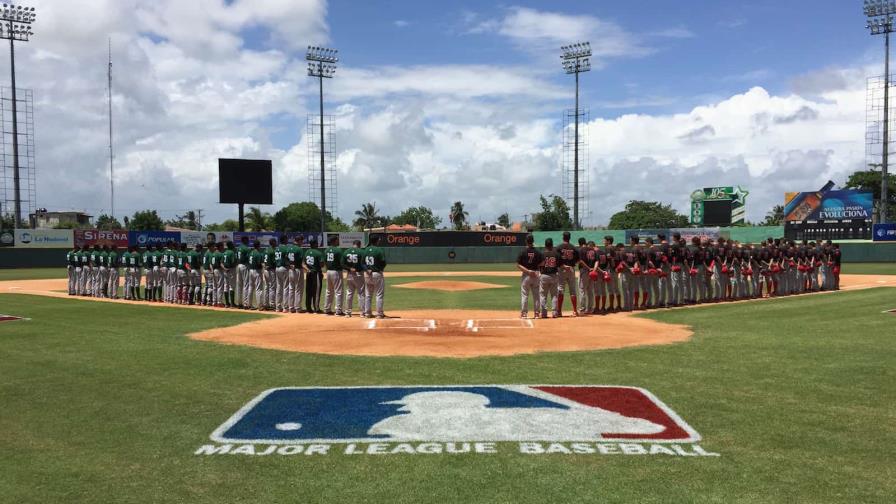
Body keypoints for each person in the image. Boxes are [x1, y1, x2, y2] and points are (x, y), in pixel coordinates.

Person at [516, 234, 543, 319]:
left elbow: (518, 264)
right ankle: (537, 314)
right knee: (536, 295)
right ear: (533, 241)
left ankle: (524, 314)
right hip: (536, 274)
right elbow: (543, 262)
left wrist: (528, 271)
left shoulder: (523, 252)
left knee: (525, 295)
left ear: (526, 241)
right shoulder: (538, 252)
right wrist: (536, 268)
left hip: (526, 275)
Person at [363, 234, 387, 319]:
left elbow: (362, 263)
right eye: (379, 239)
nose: (380, 240)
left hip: (367, 274)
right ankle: (379, 314)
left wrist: (366, 269)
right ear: (377, 240)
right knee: (379, 294)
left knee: (368, 294)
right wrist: (381, 269)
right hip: (376, 273)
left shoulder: (365, 250)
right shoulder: (379, 250)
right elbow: (383, 262)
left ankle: (367, 313)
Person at [556, 231, 579, 316]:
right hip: (571, 269)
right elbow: (577, 259)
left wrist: (563, 265)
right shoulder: (573, 247)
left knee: (560, 289)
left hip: (562, 269)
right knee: (572, 290)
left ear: (563, 237)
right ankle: (575, 311)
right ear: (570, 237)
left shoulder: (559, 247)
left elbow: (556, 259)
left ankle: (559, 311)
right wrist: (572, 265)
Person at [342, 239, 365, 317]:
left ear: (353, 244)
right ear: (359, 245)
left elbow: (342, 264)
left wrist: (349, 268)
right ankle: (362, 312)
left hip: (349, 275)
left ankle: (348, 312)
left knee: (349, 293)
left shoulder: (346, 252)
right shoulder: (361, 252)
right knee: (361, 293)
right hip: (358, 274)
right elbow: (363, 264)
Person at [538, 238, 560, 318]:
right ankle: (554, 313)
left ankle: (544, 313)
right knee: (554, 295)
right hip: (554, 275)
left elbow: (539, 265)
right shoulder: (556, 254)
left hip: (544, 276)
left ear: (545, 245)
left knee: (543, 295)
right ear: (552, 245)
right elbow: (559, 265)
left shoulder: (542, 254)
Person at [323, 234, 345, 316]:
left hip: (328, 271)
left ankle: (327, 309)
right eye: (337, 240)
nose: (338, 241)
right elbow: (341, 262)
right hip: (336, 272)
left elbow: (325, 262)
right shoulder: (338, 250)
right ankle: (338, 310)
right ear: (334, 241)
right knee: (338, 291)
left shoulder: (326, 250)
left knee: (329, 291)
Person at [303, 237, 324, 314]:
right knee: (317, 291)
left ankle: (308, 308)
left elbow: (303, 263)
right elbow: (322, 264)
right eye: (317, 243)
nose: (317, 244)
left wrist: (307, 269)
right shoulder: (318, 253)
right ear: (315, 244)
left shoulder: (307, 252)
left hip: (308, 273)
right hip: (316, 273)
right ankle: (316, 308)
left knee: (308, 291)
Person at [577, 237, 596, 315]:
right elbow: (596, 261)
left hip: (584, 271)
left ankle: (582, 309)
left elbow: (580, 261)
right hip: (592, 272)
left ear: (579, 243)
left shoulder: (581, 250)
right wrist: (593, 269)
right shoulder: (592, 250)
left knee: (582, 290)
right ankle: (590, 309)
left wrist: (588, 268)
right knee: (590, 291)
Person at [287, 235, 305, 313]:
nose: (302, 242)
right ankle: (297, 307)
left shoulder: (289, 248)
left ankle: (291, 307)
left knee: (291, 289)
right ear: (299, 241)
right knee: (298, 289)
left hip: (290, 270)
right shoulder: (299, 249)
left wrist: (290, 264)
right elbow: (301, 262)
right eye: (302, 241)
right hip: (297, 270)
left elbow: (285, 259)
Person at [248, 241, 265, 310]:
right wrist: (264, 267)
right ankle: (260, 306)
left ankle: (249, 304)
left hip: (250, 270)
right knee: (258, 289)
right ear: (258, 246)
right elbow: (259, 263)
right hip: (257, 271)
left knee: (250, 288)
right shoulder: (258, 253)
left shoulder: (250, 253)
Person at [262, 238, 278, 311]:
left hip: (265, 270)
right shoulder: (273, 251)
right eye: (275, 242)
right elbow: (274, 262)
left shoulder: (265, 250)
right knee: (272, 287)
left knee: (266, 287)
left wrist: (265, 266)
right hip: (271, 270)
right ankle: (272, 304)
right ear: (273, 243)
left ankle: (265, 304)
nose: (276, 243)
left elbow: (263, 260)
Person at [236, 236, 251, 307]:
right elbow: (249, 259)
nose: (248, 241)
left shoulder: (238, 248)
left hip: (238, 266)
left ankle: (239, 303)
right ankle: (245, 303)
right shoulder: (246, 248)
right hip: (244, 266)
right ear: (244, 240)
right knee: (246, 285)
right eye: (247, 240)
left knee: (239, 285)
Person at [222, 241, 237, 308]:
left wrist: (224, 268)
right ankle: (232, 304)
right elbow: (233, 262)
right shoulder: (231, 252)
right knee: (231, 286)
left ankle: (227, 303)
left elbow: (221, 263)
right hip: (231, 270)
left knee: (226, 286)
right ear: (230, 245)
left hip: (225, 270)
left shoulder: (224, 252)